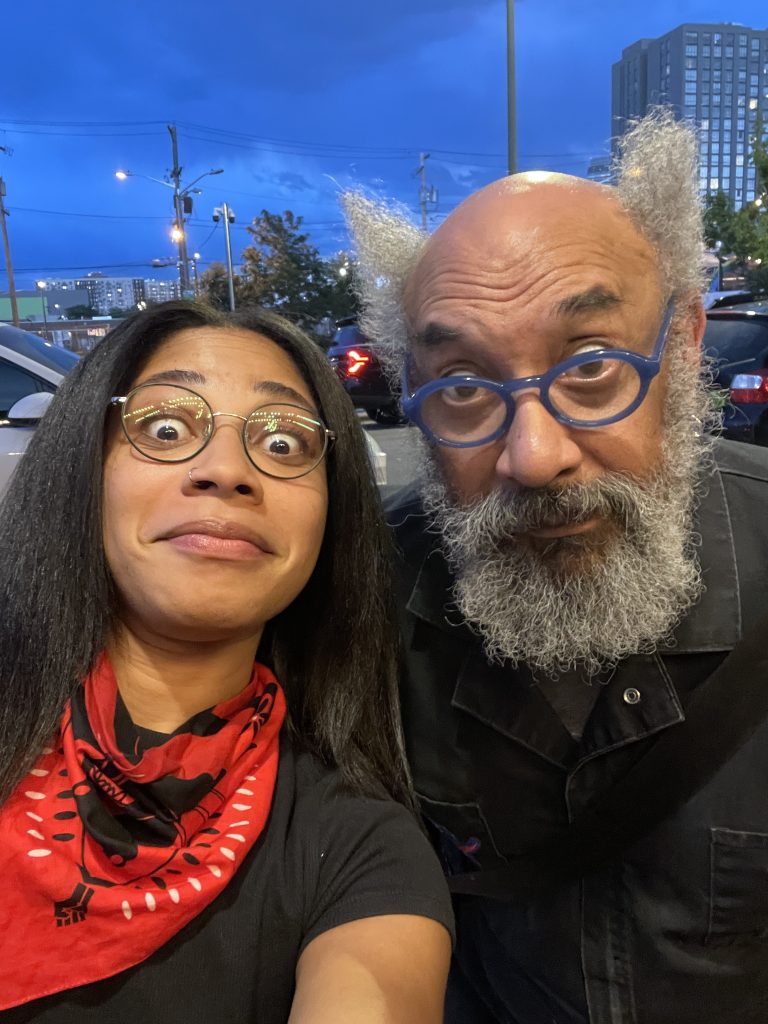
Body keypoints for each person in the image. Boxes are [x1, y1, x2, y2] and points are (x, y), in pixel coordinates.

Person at [343, 109, 768, 1024]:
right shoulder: (369, 594)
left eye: (592, 366)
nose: (533, 458)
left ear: (686, 345)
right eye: (464, 387)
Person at [0, 301, 452, 1023]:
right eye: (166, 428)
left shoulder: (358, 848)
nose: (226, 471)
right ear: (82, 463)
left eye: (283, 443)